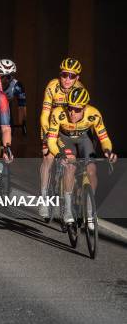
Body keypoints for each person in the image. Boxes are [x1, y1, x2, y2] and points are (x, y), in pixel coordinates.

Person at [47, 87, 117, 225]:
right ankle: (67, 209)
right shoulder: (58, 113)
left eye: (77, 110)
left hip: (84, 138)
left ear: (85, 108)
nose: (72, 113)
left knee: (91, 169)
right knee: (70, 166)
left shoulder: (94, 114)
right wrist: (59, 155)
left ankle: (90, 210)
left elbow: (104, 138)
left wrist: (108, 151)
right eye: (70, 108)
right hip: (65, 138)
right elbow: (51, 140)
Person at [38, 58, 84, 218]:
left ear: (77, 78)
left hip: (67, 128)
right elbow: (45, 114)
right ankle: (43, 197)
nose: (67, 79)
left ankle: (69, 201)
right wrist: (50, 135)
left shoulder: (80, 89)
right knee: (48, 158)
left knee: (72, 162)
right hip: (50, 125)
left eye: (72, 76)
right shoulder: (52, 86)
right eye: (64, 75)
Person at [0, 59, 26, 127]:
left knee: (8, 124)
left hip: (5, 105)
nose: (5, 80)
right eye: (2, 76)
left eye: (9, 77)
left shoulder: (16, 86)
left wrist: (22, 125)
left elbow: (21, 107)